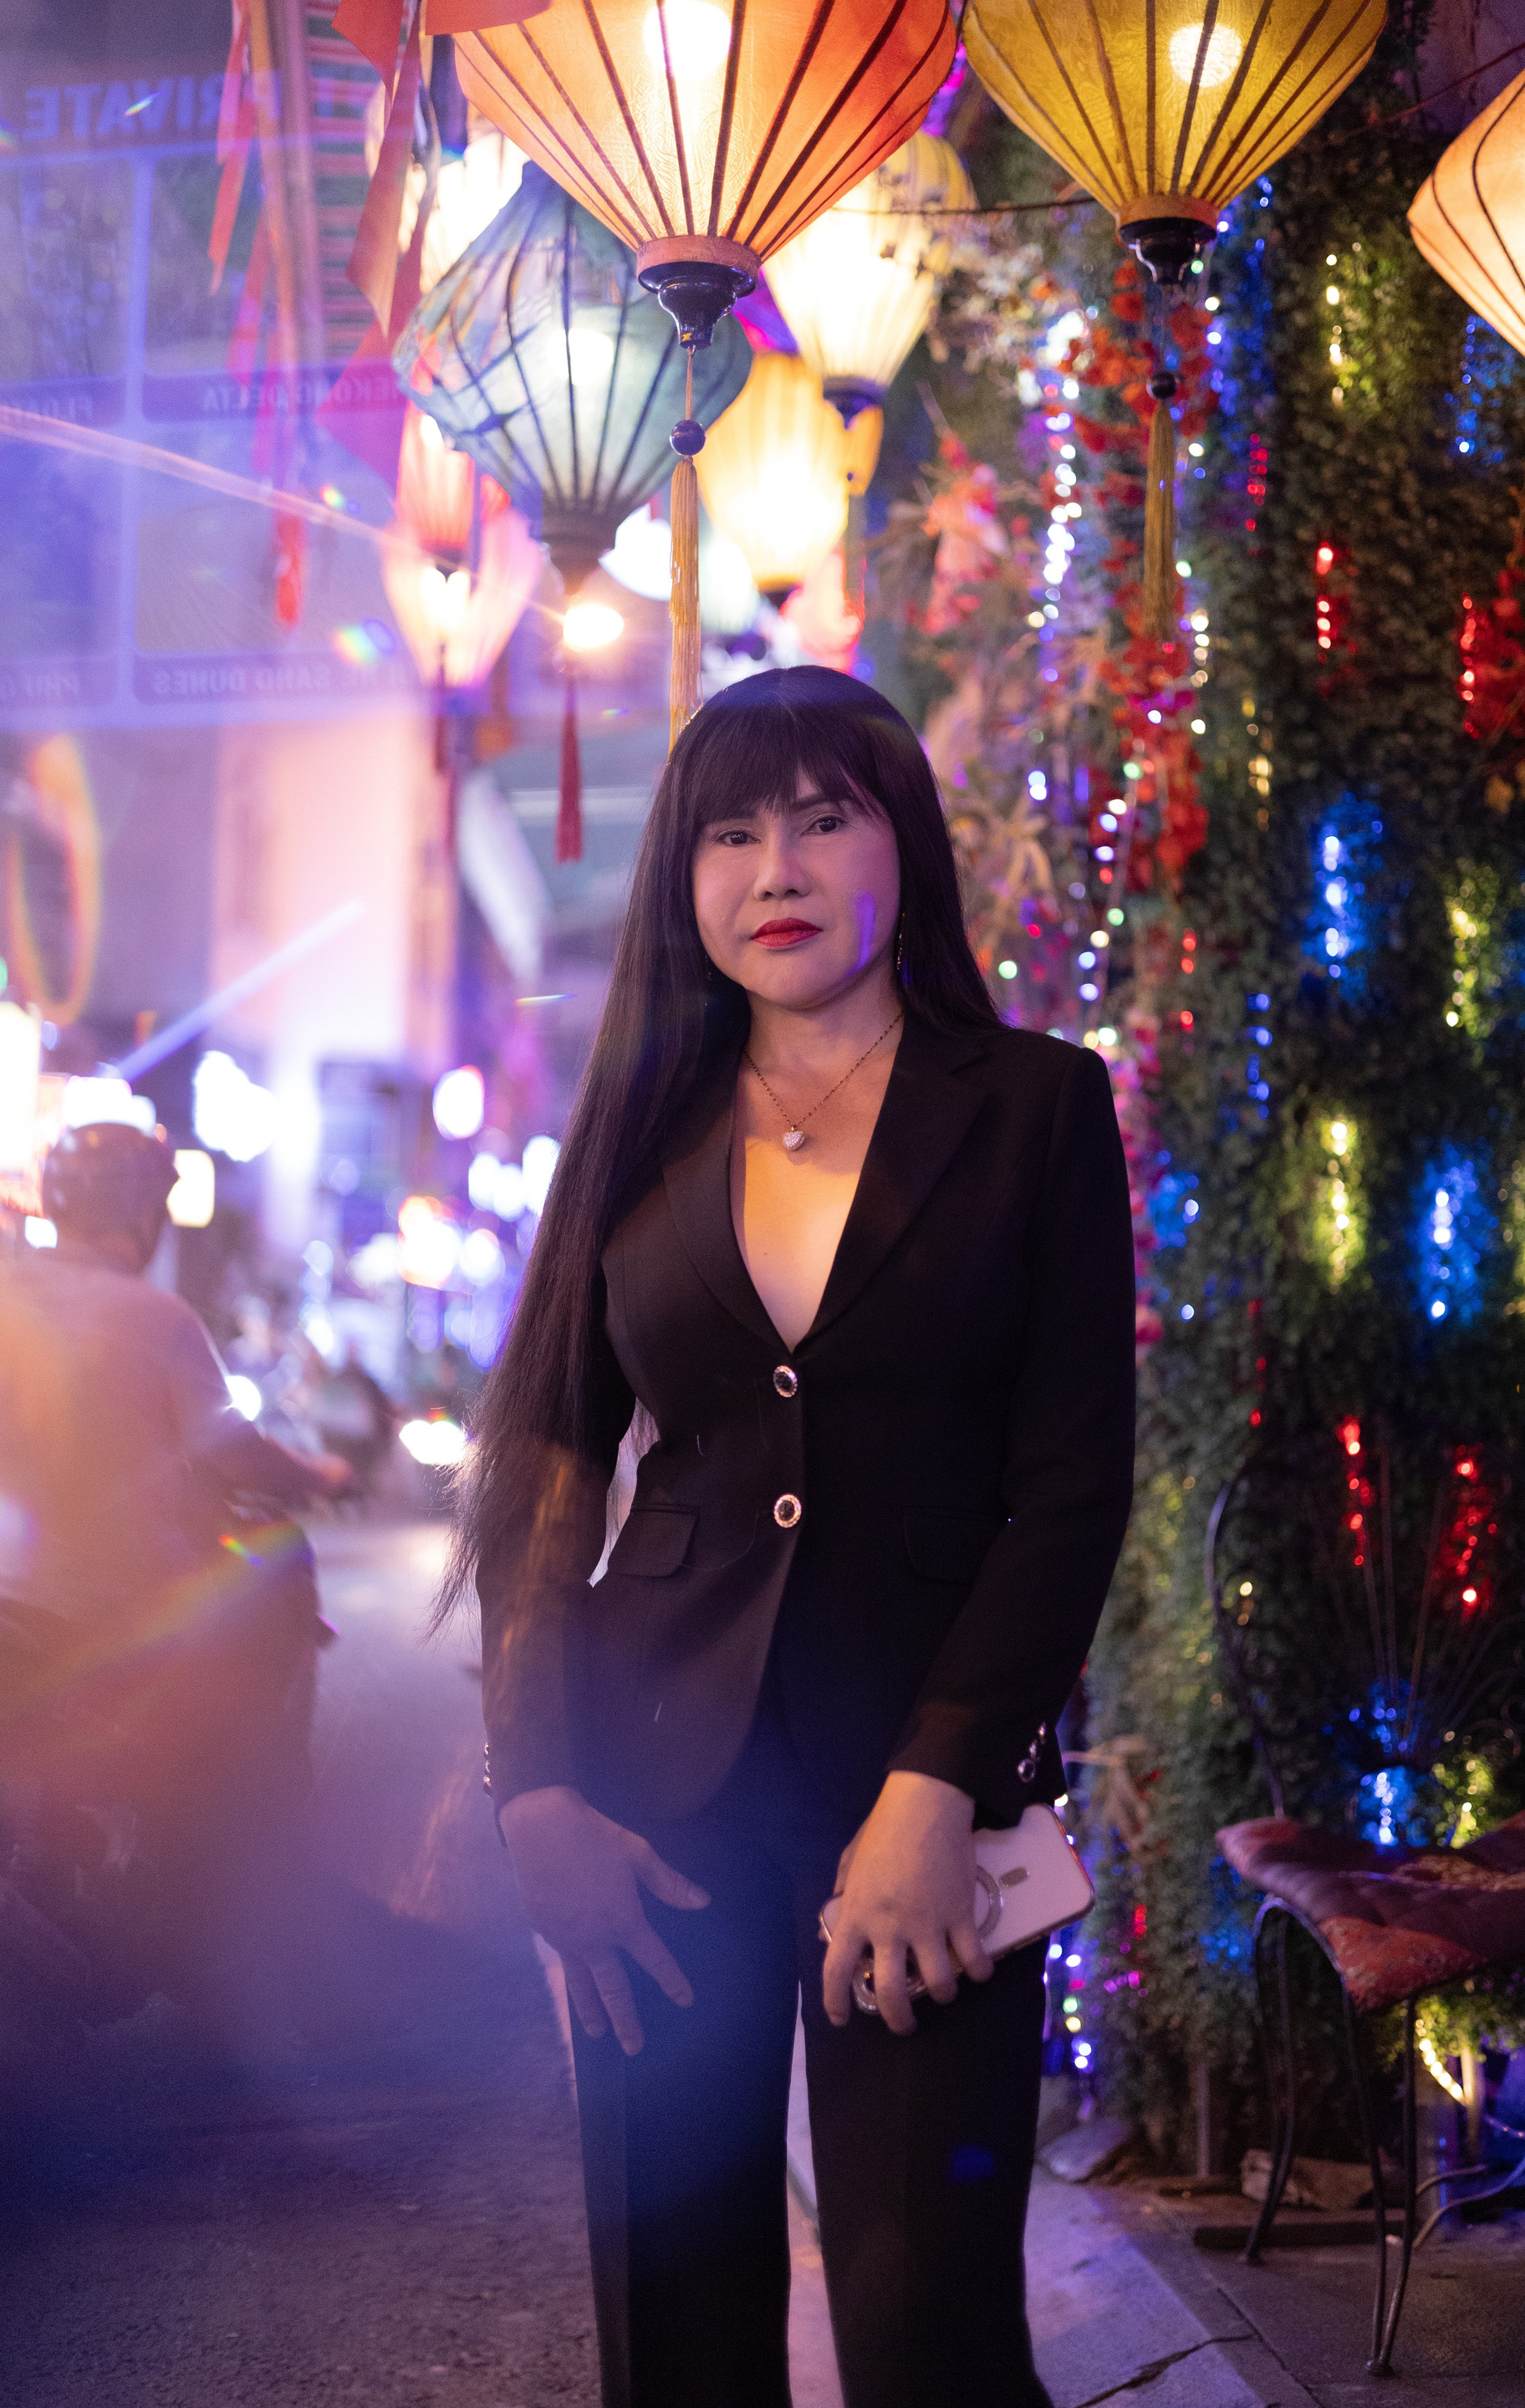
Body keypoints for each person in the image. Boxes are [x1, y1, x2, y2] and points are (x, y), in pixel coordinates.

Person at [451, 667, 1135, 2408]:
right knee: (674, 2319)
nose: (778, 869)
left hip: (926, 1794)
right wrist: (536, 1788)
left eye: (826, 819)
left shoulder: (1037, 1107)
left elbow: (1072, 1488)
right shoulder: (639, 1122)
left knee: (928, 2331)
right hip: (651, 1808)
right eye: (733, 834)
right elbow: (546, 1460)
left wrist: (940, 1785)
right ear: (683, 876)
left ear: (904, 845)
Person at [0, 1121, 349, 2001]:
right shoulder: (157, 1318)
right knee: (270, 1581)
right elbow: (232, 1453)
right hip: (117, 1609)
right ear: (145, 1214)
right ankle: (230, 1860)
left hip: (12, 1605)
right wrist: (318, 1473)